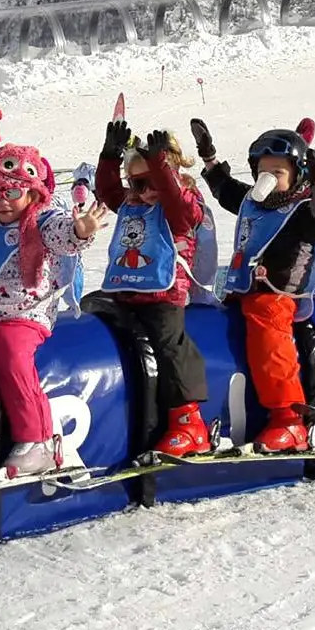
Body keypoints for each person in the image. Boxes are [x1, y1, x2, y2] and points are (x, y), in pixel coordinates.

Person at [0, 144, 107, 479]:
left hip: (23, 315)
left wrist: (80, 230)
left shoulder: (41, 223)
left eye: (13, 192)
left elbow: (63, 235)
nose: (3, 203)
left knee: (11, 356)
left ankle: (38, 441)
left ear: (32, 192)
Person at [194, 121, 315, 452]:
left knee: (269, 342)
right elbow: (225, 188)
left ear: (298, 174)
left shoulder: (303, 208)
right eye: (263, 170)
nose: (269, 177)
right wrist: (208, 156)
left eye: (279, 171)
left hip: (276, 296)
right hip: (241, 289)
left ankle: (289, 421)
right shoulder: (253, 201)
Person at [95, 124, 211, 457]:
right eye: (136, 183)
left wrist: (161, 168)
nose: (145, 191)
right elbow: (107, 191)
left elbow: (176, 200)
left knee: (169, 344)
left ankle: (189, 423)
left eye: (152, 182)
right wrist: (109, 155)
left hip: (165, 294)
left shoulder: (179, 207)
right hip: (128, 290)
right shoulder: (134, 204)